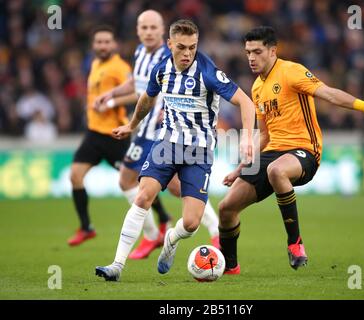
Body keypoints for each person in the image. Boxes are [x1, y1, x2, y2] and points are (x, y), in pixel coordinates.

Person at [218, 26, 364, 274]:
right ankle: (230, 268)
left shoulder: (292, 71)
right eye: (248, 52)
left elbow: (329, 94)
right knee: (226, 208)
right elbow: (265, 135)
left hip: (304, 150)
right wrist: (240, 168)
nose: (251, 58)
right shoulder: (257, 87)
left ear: (272, 51)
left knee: (277, 171)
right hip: (272, 153)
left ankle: (295, 243)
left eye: (257, 52)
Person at [95, 19, 255, 281]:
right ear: (169, 44)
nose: (187, 53)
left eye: (192, 47)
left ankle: (171, 239)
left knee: (191, 223)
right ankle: (116, 265)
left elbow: (246, 103)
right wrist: (132, 125)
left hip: (199, 152)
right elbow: (147, 98)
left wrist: (247, 138)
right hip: (166, 144)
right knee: (143, 196)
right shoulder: (162, 69)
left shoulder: (208, 72)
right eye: (181, 47)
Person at [94, 10, 220, 260]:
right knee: (131, 181)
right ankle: (157, 233)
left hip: (164, 131)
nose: (148, 32)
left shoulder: (173, 55)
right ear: (138, 30)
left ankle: (205, 229)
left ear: (163, 32)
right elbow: (139, 87)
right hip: (144, 129)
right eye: (144, 27)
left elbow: (176, 91)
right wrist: (112, 96)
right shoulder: (140, 53)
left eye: (153, 27)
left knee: (169, 187)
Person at [67, 25, 132, 246]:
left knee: (136, 181)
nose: (103, 46)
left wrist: (111, 102)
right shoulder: (95, 64)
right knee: (75, 175)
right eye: (99, 42)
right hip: (94, 133)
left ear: (114, 44)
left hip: (115, 134)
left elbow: (137, 94)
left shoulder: (120, 67)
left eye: (107, 42)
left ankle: (162, 219)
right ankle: (86, 228)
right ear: (93, 45)